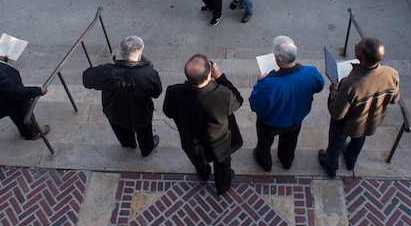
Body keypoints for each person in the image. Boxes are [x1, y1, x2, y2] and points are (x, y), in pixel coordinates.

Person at [318, 37, 399, 177]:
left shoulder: (351, 83)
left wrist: (334, 91)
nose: (355, 44)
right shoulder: (392, 73)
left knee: (336, 143)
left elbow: (337, 113)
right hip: (370, 121)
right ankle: (350, 161)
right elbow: (394, 99)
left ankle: (331, 166)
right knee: (359, 138)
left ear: (362, 58)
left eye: (358, 46)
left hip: (346, 124)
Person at [163, 54, 243, 195]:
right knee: (223, 164)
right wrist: (220, 78)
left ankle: (204, 175)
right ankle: (222, 186)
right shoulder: (223, 95)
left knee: (198, 160)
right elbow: (238, 100)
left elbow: (168, 112)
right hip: (219, 143)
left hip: (192, 142)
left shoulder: (173, 92)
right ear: (209, 76)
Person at [250, 36, 323, 171]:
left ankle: (265, 162)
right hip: (296, 118)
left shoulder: (268, 84)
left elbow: (255, 105)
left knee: (265, 142)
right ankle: (287, 161)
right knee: (290, 140)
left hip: (270, 122)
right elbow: (319, 86)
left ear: (277, 60)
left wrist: (260, 82)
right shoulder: (310, 72)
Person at [82, 36, 163, 157]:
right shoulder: (149, 74)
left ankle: (129, 143)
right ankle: (147, 149)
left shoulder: (106, 72)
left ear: (121, 52)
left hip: (114, 112)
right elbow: (157, 92)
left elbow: (87, 77)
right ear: (139, 56)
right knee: (144, 132)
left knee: (120, 128)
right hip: (140, 113)